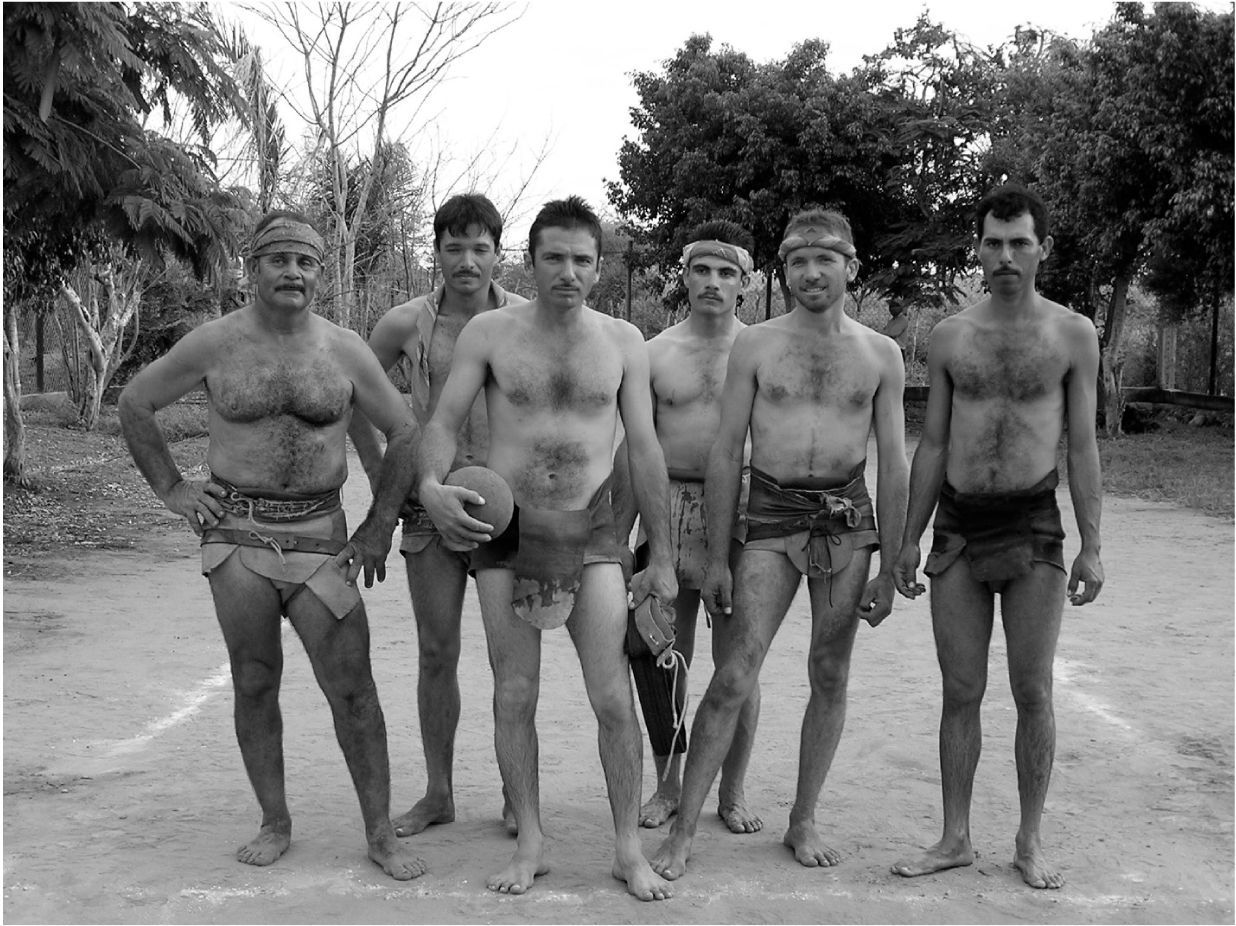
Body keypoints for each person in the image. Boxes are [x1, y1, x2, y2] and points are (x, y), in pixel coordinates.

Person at [118, 211, 425, 881]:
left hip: (321, 540)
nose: (293, 272)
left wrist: (379, 526)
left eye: (306, 261)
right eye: (278, 259)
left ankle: (380, 832)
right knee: (254, 680)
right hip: (237, 536)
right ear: (251, 268)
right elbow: (136, 403)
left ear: (319, 272)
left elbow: (404, 431)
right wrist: (173, 489)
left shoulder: (345, 349)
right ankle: (274, 819)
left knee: (354, 690)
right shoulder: (214, 343)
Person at [412, 196, 677, 901]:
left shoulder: (624, 341)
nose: (568, 271)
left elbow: (645, 450)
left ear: (599, 266)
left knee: (612, 694)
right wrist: (431, 486)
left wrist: (664, 557)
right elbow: (441, 421)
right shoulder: (490, 334)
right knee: (514, 691)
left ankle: (627, 848)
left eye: (582, 259)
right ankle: (529, 840)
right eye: (554, 257)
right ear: (529, 262)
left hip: (591, 530)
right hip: (508, 532)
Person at [651, 207, 909, 879]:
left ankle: (803, 818)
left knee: (830, 671)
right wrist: (715, 557)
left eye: (825, 258)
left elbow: (894, 461)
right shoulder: (757, 346)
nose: (811, 271)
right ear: (782, 271)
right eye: (797, 260)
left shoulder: (880, 354)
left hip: (846, 521)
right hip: (767, 518)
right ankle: (683, 830)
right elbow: (726, 448)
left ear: (851, 267)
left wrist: (891, 563)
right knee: (735, 672)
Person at [891, 183, 1104, 890]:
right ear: (978, 251)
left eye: (1019, 243)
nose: (1006, 255)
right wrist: (909, 538)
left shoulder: (1073, 334)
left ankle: (1028, 839)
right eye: (993, 243)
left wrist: (1092, 545)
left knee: (1032, 689)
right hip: (959, 524)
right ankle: (954, 836)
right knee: (961, 688)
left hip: (1033, 524)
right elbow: (932, 443)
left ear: (1043, 248)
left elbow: (1082, 446)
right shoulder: (952, 336)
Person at [348, 193, 526, 837]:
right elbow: (352, 393)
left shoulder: (525, 321)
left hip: (507, 505)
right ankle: (438, 793)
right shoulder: (404, 324)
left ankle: (517, 793)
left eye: (480, 248)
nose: (467, 261)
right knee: (435, 651)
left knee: (511, 660)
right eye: (454, 248)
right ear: (437, 252)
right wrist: (382, 475)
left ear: (499, 253)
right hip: (432, 503)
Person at [614, 220, 762, 832]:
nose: (712, 282)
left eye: (726, 272)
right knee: (659, 654)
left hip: (742, 509)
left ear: (746, 282)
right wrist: (618, 538)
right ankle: (668, 785)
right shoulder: (655, 353)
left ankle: (732, 790)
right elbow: (635, 449)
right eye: (702, 269)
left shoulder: (761, 350)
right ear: (685, 275)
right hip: (665, 508)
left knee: (739, 664)